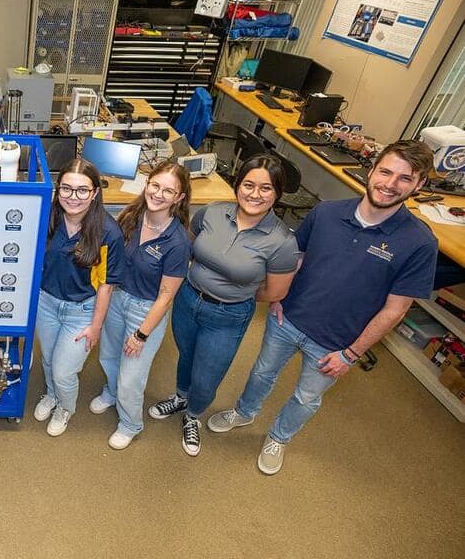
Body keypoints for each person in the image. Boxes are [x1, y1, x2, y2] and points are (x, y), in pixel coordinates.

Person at [207, 140, 438, 474]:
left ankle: (279, 437)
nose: (390, 184)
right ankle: (244, 412)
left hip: (337, 343)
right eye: (385, 171)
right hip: (287, 319)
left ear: (420, 185)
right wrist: (279, 296)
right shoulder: (327, 212)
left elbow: (396, 310)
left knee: (306, 398)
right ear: (371, 170)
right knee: (261, 372)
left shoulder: (419, 243)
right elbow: (295, 258)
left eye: (404, 178)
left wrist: (352, 354)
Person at [148, 154, 300, 457]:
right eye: (248, 185)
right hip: (188, 299)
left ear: (277, 194)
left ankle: (193, 415)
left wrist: (235, 293)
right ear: (237, 185)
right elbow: (186, 246)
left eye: (266, 188)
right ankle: (180, 397)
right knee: (187, 355)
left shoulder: (282, 242)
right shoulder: (212, 213)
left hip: (228, 315)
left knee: (207, 374)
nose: (254, 194)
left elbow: (275, 291)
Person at [90, 162, 193, 450]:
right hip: (117, 298)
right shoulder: (131, 216)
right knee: (108, 357)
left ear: (180, 198)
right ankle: (110, 393)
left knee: (131, 377)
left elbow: (166, 296)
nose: (159, 194)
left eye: (169, 190)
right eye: (155, 185)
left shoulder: (178, 242)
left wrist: (141, 334)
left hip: (145, 311)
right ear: (147, 184)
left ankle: (130, 424)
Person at [33, 159, 124, 436]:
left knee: (64, 370)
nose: (73, 197)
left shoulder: (109, 232)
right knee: (48, 360)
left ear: (95, 192)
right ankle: (51, 394)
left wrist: (95, 326)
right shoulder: (47, 218)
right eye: (66, 189)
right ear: (57, 190)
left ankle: (66, 408)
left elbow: (107, 286)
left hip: (82, 310)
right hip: (46, 303)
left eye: (82, 190)